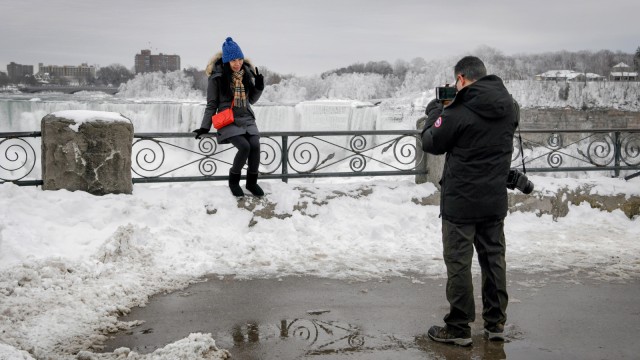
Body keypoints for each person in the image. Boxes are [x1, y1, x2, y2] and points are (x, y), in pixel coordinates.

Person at [421, 56, 518, 346]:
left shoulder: (458, 111)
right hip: (493, 199)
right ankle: (496, 323)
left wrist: (436, 112)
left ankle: (459, 327)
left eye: (456, 83)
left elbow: (430, 141)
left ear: (461, 79)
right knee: (493, 261)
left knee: (459, 263)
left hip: (461, 202)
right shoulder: (510, 106)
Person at [193, 37, 265, 197]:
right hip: (228, 119)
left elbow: (251, 100)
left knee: (255, 145)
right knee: (245, 147)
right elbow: (212, 104)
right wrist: (205, 127)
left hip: (246, 117)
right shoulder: (216, 77)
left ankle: (252, 183)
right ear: (226, 61)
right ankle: (233, 181)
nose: (237, 63)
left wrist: (259, 87)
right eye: (233, 60)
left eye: (239, 59)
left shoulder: (246, 73)